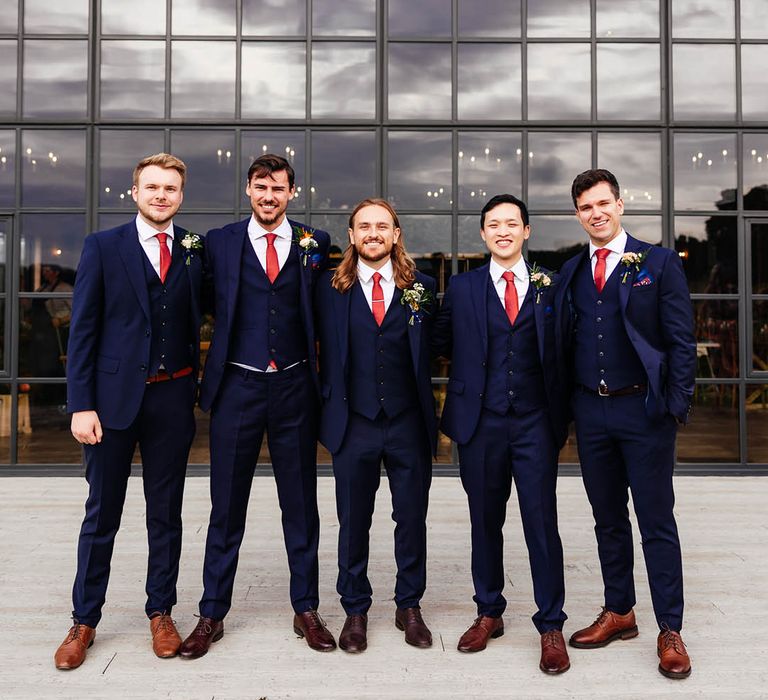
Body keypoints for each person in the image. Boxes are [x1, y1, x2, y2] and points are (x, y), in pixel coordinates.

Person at [179, 154, 334, 659]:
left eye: (279, 188)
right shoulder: (218, 243)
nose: (270, 196)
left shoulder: (315, 243)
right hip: (237, 389)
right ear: (248, 189)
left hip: (294, 389)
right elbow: (193, 303)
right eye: (261, 186)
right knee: (226, 507)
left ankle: (306, 607)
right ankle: (211, 612)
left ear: (293, 192)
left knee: (301, 505)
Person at [55, 153, 202, 669]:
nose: (161, 196)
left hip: (171, 399)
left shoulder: (192, 250)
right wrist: (82, 404)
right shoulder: (102, 246)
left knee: (166, 516)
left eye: (171, 189)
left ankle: (161, 612)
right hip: (111, 403)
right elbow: (84, 331)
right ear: (134, 192)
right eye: (152, 187)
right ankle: (84, 620)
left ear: (181, 197)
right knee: (102, 515)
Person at [556, 169, 696, 679]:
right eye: (585, 207)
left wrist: (674, 404)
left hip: (644, 411)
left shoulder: (657, 262)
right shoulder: (571, 271)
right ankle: (619, 612)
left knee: (656, 522)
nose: (596, 213)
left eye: (603, 203)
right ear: (577, 214)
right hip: (591, 413)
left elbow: (681, 341)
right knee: (608, 519)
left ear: (620, 204)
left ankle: (670, 629)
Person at [432, 194, 570, 674]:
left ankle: (550, 624)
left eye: (513, 223)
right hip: (480, 422)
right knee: (484, 522)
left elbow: (569, 350)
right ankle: (489, 611)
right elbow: (438, 345)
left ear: (527, 232)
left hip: (535, 422)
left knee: (541, 525)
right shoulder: (463, 289)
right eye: (495, 224)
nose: (504, 230)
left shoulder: (552, 286)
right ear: (484, 234)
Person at [315, 198, 436, 653]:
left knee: (411, 519)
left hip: (408, 422)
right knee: (353, 521)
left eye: (381, 226)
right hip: (353, 423)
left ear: (396, 234)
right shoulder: (328, 288)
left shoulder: (421, 286)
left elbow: (439, 344)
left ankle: (410, 606)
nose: (373, 233)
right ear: (351, 235)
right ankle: (355, 609)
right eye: (364, 226)